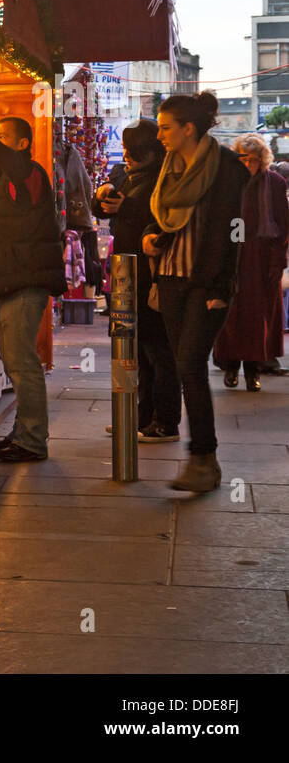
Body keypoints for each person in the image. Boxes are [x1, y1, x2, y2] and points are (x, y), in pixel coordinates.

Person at [142, 93, 249, 492]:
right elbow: (165, 222)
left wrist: (222, 285)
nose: (161, 137)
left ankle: (204, 459)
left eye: (167, 128)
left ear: (189, 128)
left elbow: (234, 228)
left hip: (205, 282)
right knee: (184, 364)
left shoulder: (226, 167)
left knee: (190, 364)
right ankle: (203, 461)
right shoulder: (169, 166)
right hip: (170, 277)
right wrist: (152, 238)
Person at [0, 117, 68, 462]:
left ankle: (32, 440)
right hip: (7, 280)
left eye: (3, 138)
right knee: (14, 361)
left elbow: (16, 170)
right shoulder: (2, 176)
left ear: (22, 144)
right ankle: (22, 432)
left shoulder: (30, 173)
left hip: (24, 281)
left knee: (23, 363)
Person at [92, 119, 181, 441]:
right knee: (134, 348)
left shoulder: (165, 180)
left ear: (151, 153)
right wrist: (103, 197)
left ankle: (165, 421)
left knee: (157, 348)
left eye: (135, 152)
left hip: (151, 273)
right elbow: (104, 211)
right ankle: (141, 417)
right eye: (127, 150)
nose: (127, 156)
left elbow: (165, 220)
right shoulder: (127, 176)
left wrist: (126, 206)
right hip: (125, 270)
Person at [212, 133, 288, 391]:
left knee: (259, 319)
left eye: (254, 160)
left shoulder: (275, 183)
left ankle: (252, 372)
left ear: (262, 160)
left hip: (263, 261)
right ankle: (231, 368)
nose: (248, 165)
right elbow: (224, 222)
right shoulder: (228, 183)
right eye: (244, 159)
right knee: (230, 317)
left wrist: (278, 260)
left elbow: (283, 224)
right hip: (234, 259)